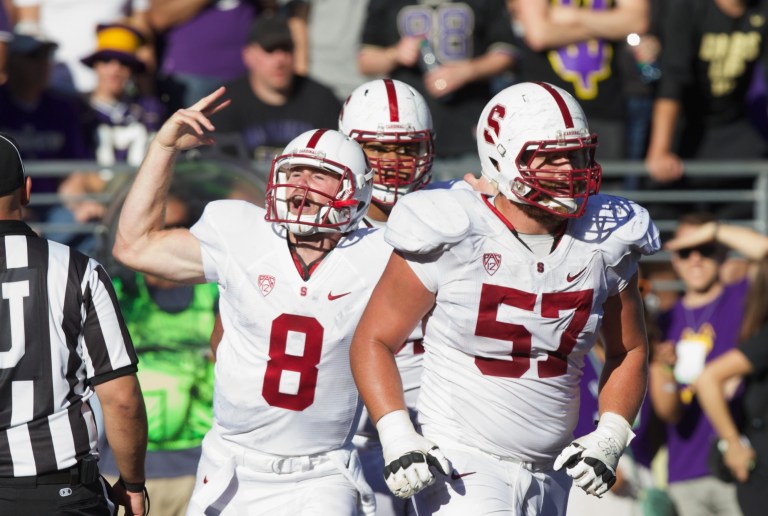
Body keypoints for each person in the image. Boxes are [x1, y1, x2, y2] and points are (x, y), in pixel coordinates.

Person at [349, 81, 660, 515]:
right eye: (548, 158)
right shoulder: (453, 227)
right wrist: (398, 432)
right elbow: (373, 339)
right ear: (501, 158)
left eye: (575, 155)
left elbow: (628, 350)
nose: (568, 169)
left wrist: (611, 432)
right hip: (461, 461)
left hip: (551, 469)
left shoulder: (605, 239)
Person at [112, 86, 390, 515]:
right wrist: (163, 148)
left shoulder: (382, 254)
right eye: (294, 172)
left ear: (356, 192)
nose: (301, 187)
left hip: (322, 472)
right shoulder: (241, 231)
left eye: (320, 176)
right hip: (232, 464)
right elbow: (135, 246)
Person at [0, 133, 147, 515]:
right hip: (56, 490)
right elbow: (122, 398)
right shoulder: (77, 270)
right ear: (27, 191)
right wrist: (133, 484)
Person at [98, 193, 218, 516]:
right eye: (157, 227)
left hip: (200, 471)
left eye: (177, 227)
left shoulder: (216, 294)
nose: (165, 237)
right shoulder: (117, 293)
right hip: (123, 473)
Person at [649, 214, 768, 516]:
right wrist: (665, 371)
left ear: (722, 252)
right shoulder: (664, 320)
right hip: (686, 468)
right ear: (674, 259)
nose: (696, 259)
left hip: (742, 465)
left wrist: (715, 229)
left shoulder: (742, 297)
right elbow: (668, 413)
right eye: (686, 252)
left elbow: (764, 251)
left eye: (706, 248)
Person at [358, 0, 517, 182]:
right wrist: (395, 54)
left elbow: (507, 54)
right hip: (409, 139)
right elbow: (365, 60)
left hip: (467, 132)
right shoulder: (385, 4)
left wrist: (466, 71)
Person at [643, 0, 768, 219]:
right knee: (665, 213)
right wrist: (660, 150)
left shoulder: (761, 8)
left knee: (744, 209)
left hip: (733, 125)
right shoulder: (687, 7)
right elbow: (673, 83)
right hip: (683, 126)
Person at [512, 0, 649, 161]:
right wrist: (607, 27)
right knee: (553, 179)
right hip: (547, 113)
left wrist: (572, 16)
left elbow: (637, 22)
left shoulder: (570, 14)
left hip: (606, 108)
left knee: (607, 180)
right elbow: (539, 35)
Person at [211, 13, 341, 169]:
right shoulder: (226, 103)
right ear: (248, 56)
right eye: (270, 50)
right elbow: (218, 171)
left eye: (286, 49)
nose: (280, 60)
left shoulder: (322, 99)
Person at [11, 0, 150, 94]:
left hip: (113, 92)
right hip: (52, 87)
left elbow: (142, 33)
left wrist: (148, 93)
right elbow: (28, 29)